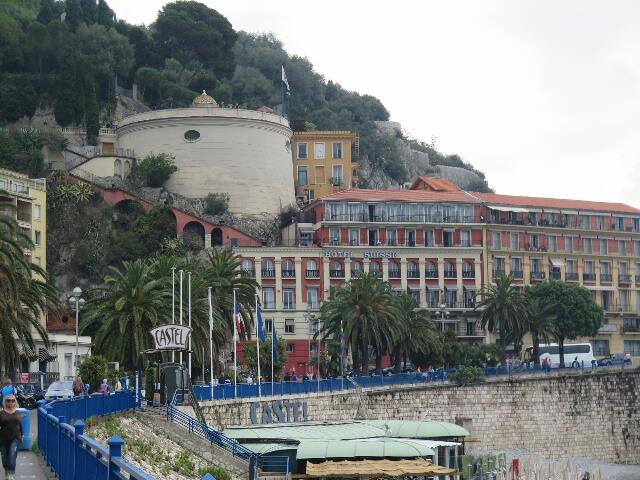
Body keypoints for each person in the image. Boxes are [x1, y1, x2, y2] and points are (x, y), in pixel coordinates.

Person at [0, 394, 23, 479]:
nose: (10, 402)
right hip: (3, 438)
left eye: (13, 400)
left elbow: (20, 426)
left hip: (15, 438)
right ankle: (6, 470)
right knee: (4, 456)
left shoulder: (18, 413)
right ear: (5, 402)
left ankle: (11, 473)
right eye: (8, 400)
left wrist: (22, 436)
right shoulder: (1, 413)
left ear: (15, 402)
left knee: (12, 454)